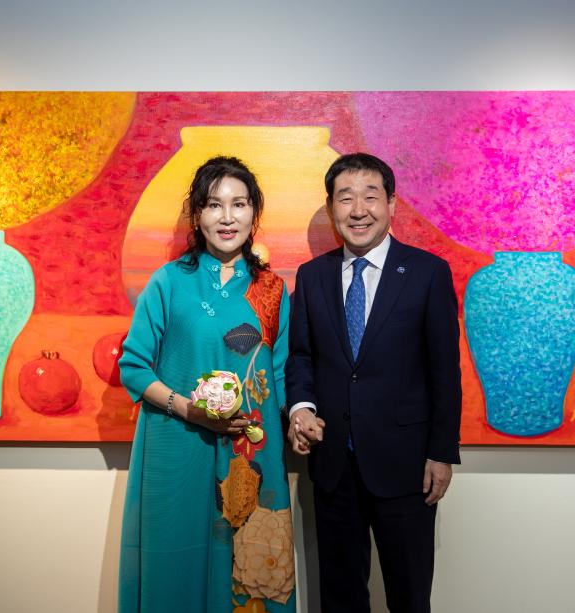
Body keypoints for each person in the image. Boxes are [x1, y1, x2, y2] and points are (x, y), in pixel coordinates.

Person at [118, 156, 296, 612]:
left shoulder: (273, 290)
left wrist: (299, 420)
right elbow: (134, 366)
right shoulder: (169, 282)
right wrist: (186, 408)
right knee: (175, 568)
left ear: (254, 212)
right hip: (178, 448)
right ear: (197, 215)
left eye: (239, 204)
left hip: (250, 456)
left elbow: (280, 377)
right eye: (214, 205)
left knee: (249, 575)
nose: (227, 217)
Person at [285, 153, 462, 613]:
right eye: (345, 198)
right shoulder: (312, 277)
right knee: (340, 596)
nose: (358, 210)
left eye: (370, 196)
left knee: (409, 595)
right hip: (333, 464)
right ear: (332, 209)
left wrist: (441, 452)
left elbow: (445, 372)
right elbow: (301, 356)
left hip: (407, 465)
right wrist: (301, 408)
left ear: (391, 204)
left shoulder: (427, 273)